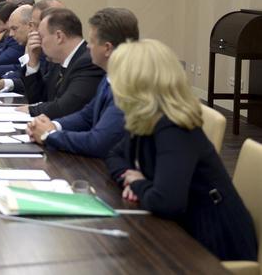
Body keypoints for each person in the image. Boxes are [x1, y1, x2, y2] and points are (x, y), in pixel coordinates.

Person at [106, 39, 257, 261]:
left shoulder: (174, 127)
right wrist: (129, 179)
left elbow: (166, 202)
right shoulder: (145, 117)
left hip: (214, 241)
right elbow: (115, 155)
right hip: (184, 226)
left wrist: (138, 183)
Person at [26, 8, 139, 157]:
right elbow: (86, 116)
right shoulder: (110, 76)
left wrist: (49, 135)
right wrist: (54, 125)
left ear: (107, 48)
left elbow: (98, 142)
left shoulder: (128, 85)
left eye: (92, 41)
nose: (87, 46)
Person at [18, 8, 104, 118]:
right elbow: (39, 99)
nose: (39, 43)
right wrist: (33, 62)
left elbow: (66, 107)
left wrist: (30, 110)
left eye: (41, 37)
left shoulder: (88, 62)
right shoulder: (58, 61)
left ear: (59, 37)